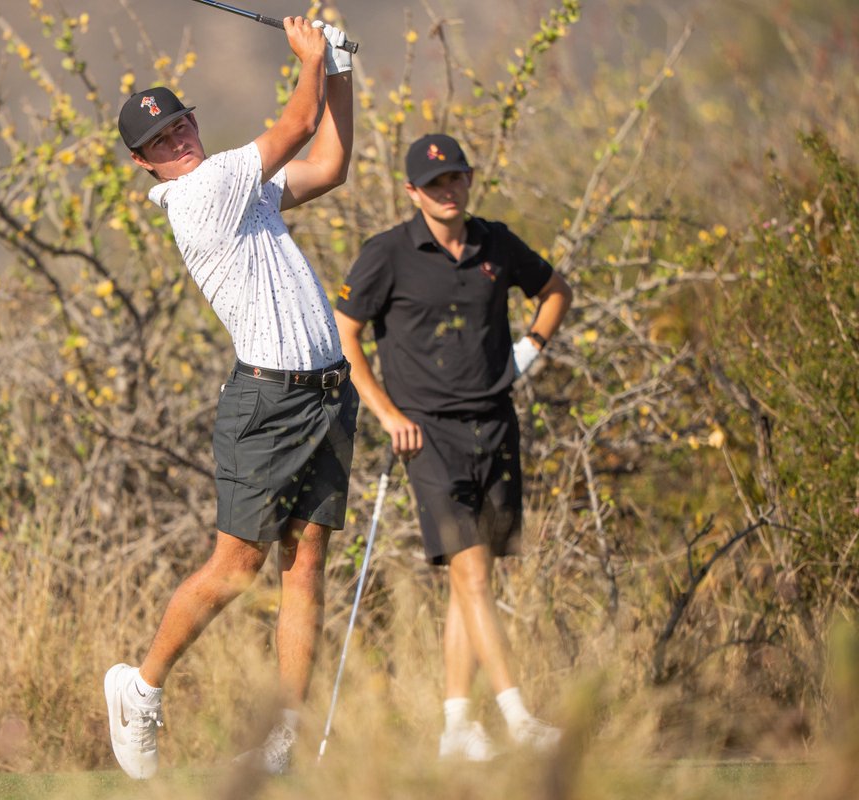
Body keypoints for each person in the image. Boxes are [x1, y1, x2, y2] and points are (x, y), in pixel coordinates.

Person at [104, 17, 357, 780]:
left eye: (180, 125)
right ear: (147, 165)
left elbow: (333, 162)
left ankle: (282, 739)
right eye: (159, 142)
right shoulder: (201, 194)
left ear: (192, 123)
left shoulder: (244, 190)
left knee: (305, 562)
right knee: (237, 566)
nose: (176, 141)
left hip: (325, 396)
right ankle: (141, 689)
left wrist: (340, 71)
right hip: (266, 403)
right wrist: (312, 61)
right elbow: (296, 122)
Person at [334, 133, 573, 761]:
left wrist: (528, 352)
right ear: (412, 192)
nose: (448, 190)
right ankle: (517, 717)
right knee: (470, 571)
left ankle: (456, 727)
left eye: (457, 178)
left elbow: (556, 291)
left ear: (468, 181)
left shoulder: (495, 243)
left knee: (473, 577)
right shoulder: (387, 253)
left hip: (494, 423)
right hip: (428, 434)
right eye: (435, 183)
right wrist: (388, 414)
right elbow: (345, 335)